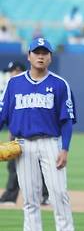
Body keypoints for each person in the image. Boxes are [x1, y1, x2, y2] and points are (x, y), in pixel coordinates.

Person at [0, 38, 77, 231]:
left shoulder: (60, 84)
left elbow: (67, 121)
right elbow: (2, 115)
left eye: (45, 52)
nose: (40, 56)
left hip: (51, 143)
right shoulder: (13, 84)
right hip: (22, 145)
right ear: (29, 56)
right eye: (37, 52)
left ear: (50, 57)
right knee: (30, 197)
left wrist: (65, 148)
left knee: (59, 193)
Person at [0, 61, 50, 206]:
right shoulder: (13, 87)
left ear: (18, 70)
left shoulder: (26, 87)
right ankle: (42, 196)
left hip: (33, 135)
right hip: (19, 134)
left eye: (11, 71)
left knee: (36, 165)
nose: (9, 74)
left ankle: (13, 197)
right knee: (16, 165)